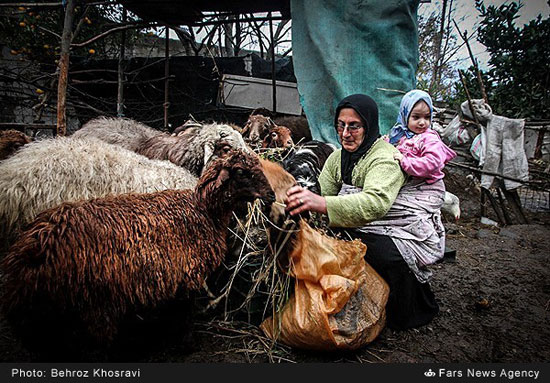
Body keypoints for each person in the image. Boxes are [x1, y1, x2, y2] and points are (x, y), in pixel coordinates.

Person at [286, 93, 440, 330]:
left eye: (354, 126)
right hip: (357, 219)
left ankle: (405, 311)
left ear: (369, 126)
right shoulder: (338, 157)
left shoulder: (385, 157)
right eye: (341, 125)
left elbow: (376, 202)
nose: (346, 133)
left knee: (382, 253)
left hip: (397, 224)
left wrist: (322, 204)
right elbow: (324, 190)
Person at [388, 89, 456, 184]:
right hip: (408, 179)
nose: (422, 122)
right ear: (405, 116)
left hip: (426, 183)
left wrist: (405, 162)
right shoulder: (401, 134)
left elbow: (433, 162)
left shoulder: (429, 139)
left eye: (427, 117)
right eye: (416, 117)